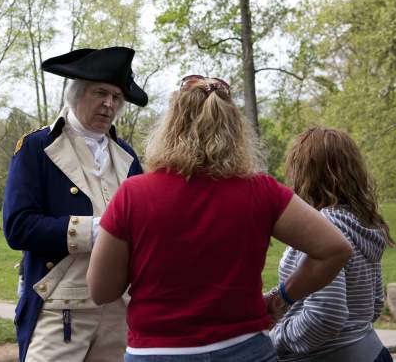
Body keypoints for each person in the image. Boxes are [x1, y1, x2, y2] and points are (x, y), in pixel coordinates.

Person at [87, 76, 353, 362]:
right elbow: (335, 249)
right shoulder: (262, 191)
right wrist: (281, 298)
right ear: (235, 129)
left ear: (171, 125)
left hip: (157, 352)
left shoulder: (133, 194)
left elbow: (101, 291)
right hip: (247, 350)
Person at [3, 46, 147, 362]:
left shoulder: (127, 156)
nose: (109, 104)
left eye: (117, 98)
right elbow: (18, 227)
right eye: (101, 93)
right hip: (59, 305)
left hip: (119, 308)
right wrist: (99, 230)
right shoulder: (37, 147)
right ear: (77, 92)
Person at [269, 127, 396, 362]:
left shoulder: (321, 227)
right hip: (372, 352)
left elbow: (326, 315)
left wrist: (275, 340)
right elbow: (375, 303)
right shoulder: (363, 223)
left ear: (304, 173)